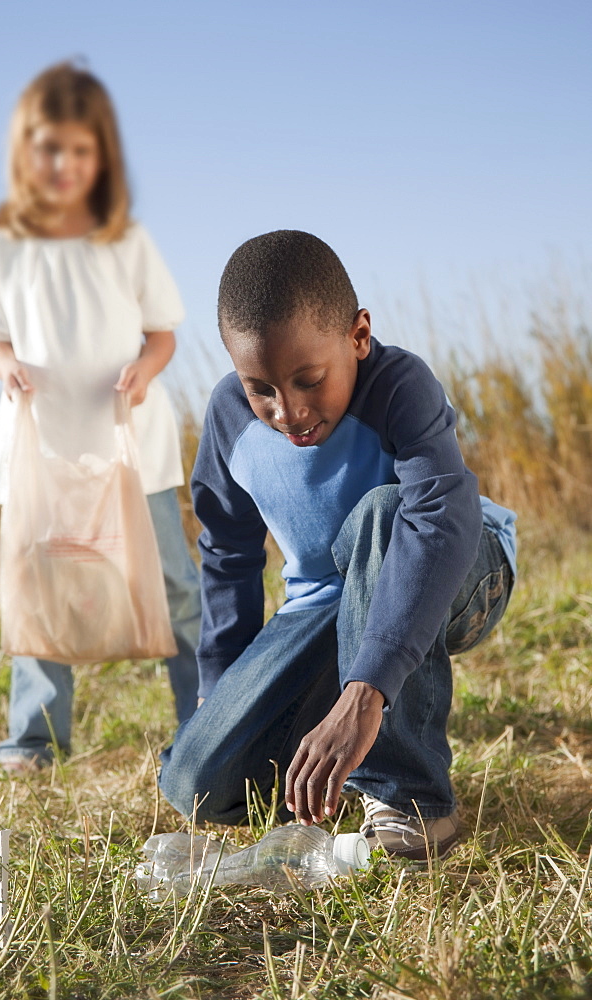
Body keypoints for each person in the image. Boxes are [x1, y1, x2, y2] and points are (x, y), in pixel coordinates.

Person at [159, 231, 517, 860]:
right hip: (325, 603)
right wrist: (228, 694)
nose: (287, 411)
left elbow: (439, 521)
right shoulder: (227, 421)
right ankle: (337, 767)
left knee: (382, 516)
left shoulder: (400, 384)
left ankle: (410, 798)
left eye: (308, 379)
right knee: (194, 782)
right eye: (260, 388)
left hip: (459, 572)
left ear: (358, 336)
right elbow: (228, 557)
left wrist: (365, 692)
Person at [0, 61, 200, 772]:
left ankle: (203, 725)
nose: (63, 164)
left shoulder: (124, 240)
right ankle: (34, 740)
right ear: (24, 151)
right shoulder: (5, 247)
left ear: (101, 155)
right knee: (41, 592)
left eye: (79, 149)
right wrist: (5, 365)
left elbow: (162, 331)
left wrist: (144, 371)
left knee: (176, 589)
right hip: (40, 449)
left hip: (131, 448)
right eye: (48, 148)